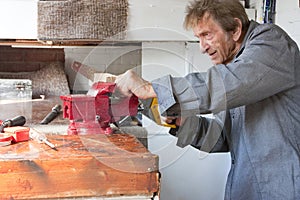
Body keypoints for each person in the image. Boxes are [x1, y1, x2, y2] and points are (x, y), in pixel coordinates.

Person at [115, 0, 300, 199]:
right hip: (245, 189)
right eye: (198, 38)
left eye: (207, 35)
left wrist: (151, 88)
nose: (202, 47)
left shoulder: (271, 43)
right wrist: (184, 124)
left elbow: (226, 84)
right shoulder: (232, 68)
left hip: (283, 189)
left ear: (236, 29)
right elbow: (222, 139)